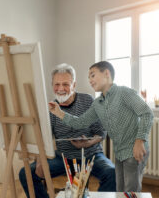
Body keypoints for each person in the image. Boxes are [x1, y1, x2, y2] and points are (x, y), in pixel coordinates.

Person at [49, 61, 153, 192]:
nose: (90, 80)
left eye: (92, 75)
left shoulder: (125, 92)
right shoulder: (98, 103)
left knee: (130, 192)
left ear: (107, 74)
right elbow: (80, 122)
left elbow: (147, 113)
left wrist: (140, 141)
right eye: (88, 77)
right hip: (120, 153)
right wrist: (59, 113)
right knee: (120, 191)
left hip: (134, 149)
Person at [19, 63, 116, 198]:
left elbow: (101, 133)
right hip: (62, 158)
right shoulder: (51, 108)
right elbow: (43, 139)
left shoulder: (88, 100)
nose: (60, 89)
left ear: (74, 85)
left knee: (112, 172)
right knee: (26, 173)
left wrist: (87, 143)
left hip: (91, 155)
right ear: (52, 85)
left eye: (65, 84)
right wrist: (40, 160)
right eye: (56, 84)